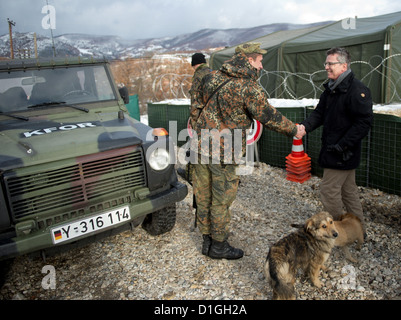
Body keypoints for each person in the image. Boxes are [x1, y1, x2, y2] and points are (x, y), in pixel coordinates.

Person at [190, 42, 305, 259]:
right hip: (224, 152)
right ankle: (219, 246)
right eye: (259, 61)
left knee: (203, 195)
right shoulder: (248, 88)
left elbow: (195, 105)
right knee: (221, 199)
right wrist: (294, 130)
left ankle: (206, 241)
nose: (261, 66)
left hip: (200, 146)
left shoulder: (212, 77)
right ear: (249, 60)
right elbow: (268, 116)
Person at [299, 47, 373, 233]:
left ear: (344, 65)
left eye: (331, 63)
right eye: (326, 63)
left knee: (329, 192)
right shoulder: (332, 89)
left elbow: (364, 122)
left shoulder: (356, 90)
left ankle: (339, 232)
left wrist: (342, 145)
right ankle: (359, 230)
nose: (326, 67)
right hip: (335, 149)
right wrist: (304, 128)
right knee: (349, 193)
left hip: (342, 152)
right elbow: (319, 113)